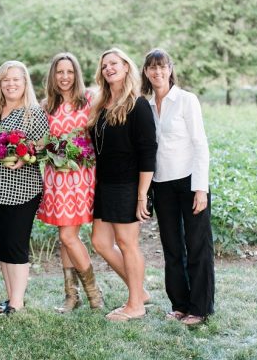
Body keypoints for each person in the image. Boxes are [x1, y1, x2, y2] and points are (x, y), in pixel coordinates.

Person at [141, 48, 214, 326]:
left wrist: (200, 188)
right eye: (152, 67)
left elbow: (200, 144)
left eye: (162, 66)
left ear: (170, 69)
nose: (157, 72)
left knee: (197, 246)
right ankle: (180, 304)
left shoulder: (186, 100)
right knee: (172, 248)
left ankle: (200, 308)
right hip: (162, 185)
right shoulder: (145, 106)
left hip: (189, 181)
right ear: (146, 72)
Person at [88, 48, 157, 322]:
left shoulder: (137, 104)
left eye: (114, 63)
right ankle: (139, 291)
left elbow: (148, 151)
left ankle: (135, 304)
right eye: (104, 65)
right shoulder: (102, 103)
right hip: (104, 184)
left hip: (128, 184)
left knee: (127, 243)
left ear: (127, 67)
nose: (109, 68)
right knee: (100, 242)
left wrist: (142, 195)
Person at [0, 60, 49, 315]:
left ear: (24, 82)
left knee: (15, 245)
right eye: (5, 80)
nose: (11, 84)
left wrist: (26, 155)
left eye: (16, 79)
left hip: (21, 190)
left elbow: (42, 147)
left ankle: (17, 303)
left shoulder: (34, 112)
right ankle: (10, 298)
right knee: (1, 247)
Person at [36, 52, 103, 313]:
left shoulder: (89, 100)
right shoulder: (46, 106)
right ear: (53, 75)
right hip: (55, 177)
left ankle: (94, 294)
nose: (64, 77)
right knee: (64, 236)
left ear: (77, 74)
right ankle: (71, 296)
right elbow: (42, 142)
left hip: (81, 176)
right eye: (59, 72)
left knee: (68, 234)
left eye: (69, 72)